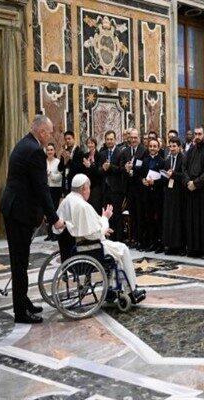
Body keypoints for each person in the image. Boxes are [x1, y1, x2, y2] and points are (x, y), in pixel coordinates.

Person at [0, 115, 65, 323]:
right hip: (19, 213)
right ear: (41, 132)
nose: (51, 136)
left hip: (15, 209)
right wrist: (54, 218)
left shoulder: (24, 144)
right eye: (50, 132)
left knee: (21, 260)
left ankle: (23, 301)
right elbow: (41, 189)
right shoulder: (35, 151)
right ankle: (20, 312)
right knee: (19, 262)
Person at [54, 174, 145, 303]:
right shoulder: (83, 206)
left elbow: (80, 228)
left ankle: (111, 290)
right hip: (88, 249)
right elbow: (94, 234)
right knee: (122, 249)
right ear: (84, 188)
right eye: (89, 188)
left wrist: (102, 227)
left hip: (73, 250)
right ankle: (132, 290)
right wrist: (105, 218)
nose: (89, 191)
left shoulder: (67, 200)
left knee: (114, 251)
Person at [182, 127, 204, 258]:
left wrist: (195, 183)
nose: (197, 136)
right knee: (192, 221)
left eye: (200, 134)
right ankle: (193, 249)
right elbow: (184, 168)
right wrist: (188, 182)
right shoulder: (190, 151)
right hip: (191, 192)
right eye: (196, 134)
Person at [137, 139, 166, 252]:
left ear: (158, 148)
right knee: (148, 219)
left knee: (158, 219)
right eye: (151, 146)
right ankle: (150, 242)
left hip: (158, 195)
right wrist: (143, 180)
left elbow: (164, 179)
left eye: (155, 146)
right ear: (148, 147)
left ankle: (160, 243)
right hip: (147, 195)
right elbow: (140, 176)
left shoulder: (162, 161)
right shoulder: (145, 161)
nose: (153, 148)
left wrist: (155, 182)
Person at [120, 129, 146, 248]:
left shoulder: (143, 151)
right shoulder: (125, 152)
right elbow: (121, 169)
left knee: (141, 215)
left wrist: (133, 168)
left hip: (140, 189)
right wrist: (126, 169)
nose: (134, 140)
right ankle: (133, 238)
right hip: (129, 189)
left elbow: (144, 169)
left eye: (136, 137)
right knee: (132, 215)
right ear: (129, 138)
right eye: (132, 137)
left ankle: (141, 240)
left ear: (138, 138)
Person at [99, 130, 125, 241]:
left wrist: (110, 167)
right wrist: (103, 169)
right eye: (107, 139)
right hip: (105, 189)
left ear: (115, 140)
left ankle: (118, 238)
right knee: (106, 215)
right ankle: (107, 236)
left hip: (116, 189)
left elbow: (122, 170)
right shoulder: (102, 154)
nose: (109, 141)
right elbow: (99, 171)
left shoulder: (120, 153)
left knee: (117, 215)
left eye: (111, 139)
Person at [162, 137, 186, 255]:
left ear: (179, 147)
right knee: (169, 220)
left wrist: (174, 174)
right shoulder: (167, 160)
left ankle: (180, 246)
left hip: (180, 193)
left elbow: (185, 175)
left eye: (174, 146)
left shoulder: (183, 159)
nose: (171, 149)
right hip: (169, 193)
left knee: (178, 220)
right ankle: (170, 245)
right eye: (170, 146)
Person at [80, 137, 103, 212]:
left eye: (92, 143)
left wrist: (91, 165)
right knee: (87, 207)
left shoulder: (99, 156)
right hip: (87, 185)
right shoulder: (85, 155)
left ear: (95, 144)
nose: (90, 145)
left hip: (96, 185)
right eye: (88, 143)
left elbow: (99, 172)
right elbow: (82, 171)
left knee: (95, 207)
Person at [45, 143, 63, 241]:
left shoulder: (58, 162)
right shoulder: (44, 162)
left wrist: (50, 174)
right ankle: (49, 234)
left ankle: (55, 233)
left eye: (51, 150)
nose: (50, 152)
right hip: (46, 188)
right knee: (47, 211)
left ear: (54, 151)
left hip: (55, 188)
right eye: (48, 150)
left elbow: (60, 176)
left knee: (55, 210)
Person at [58, 130, 83, 194]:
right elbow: (59, 168)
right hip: (66, 182)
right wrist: (64, 161)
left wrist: (70, 159)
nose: (67, 141)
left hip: (75, 182)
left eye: (69, 139)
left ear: (74, 139)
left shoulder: (80, 151)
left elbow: (80, 168)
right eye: (66, 139)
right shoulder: (65, 151)